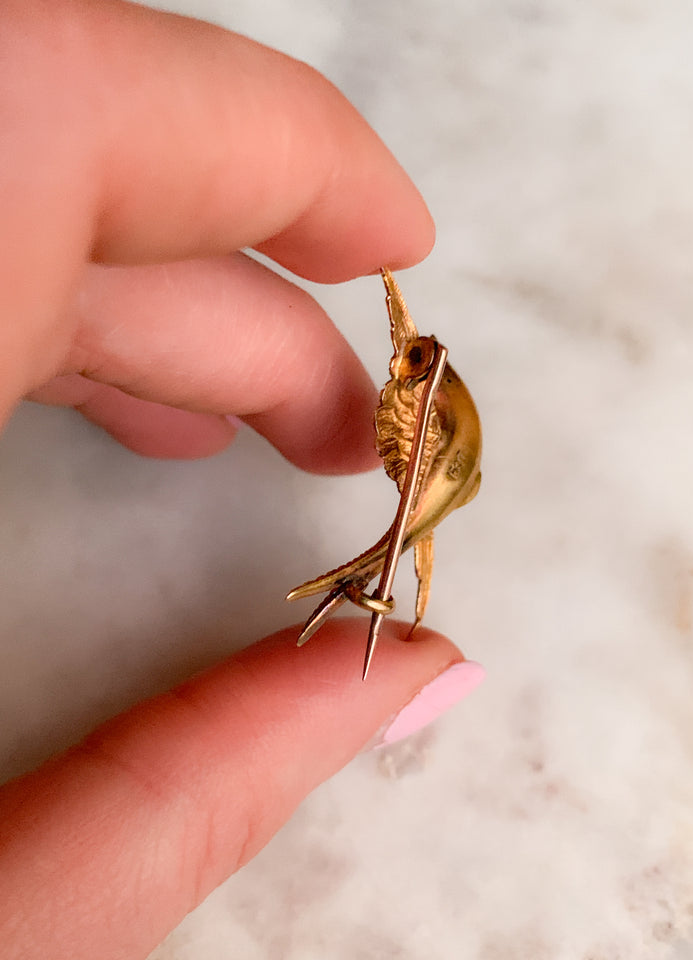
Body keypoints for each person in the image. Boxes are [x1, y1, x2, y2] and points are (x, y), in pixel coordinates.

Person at [0, 2, 484, 957]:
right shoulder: (412, 389)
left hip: (424, 484)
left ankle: (378, 579)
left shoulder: (434, 429)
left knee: (396, 547)